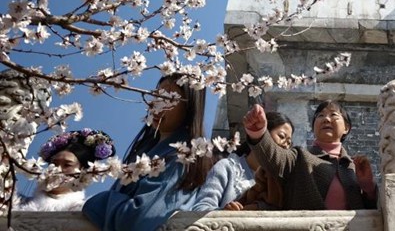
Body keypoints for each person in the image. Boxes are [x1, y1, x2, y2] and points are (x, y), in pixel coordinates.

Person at [83, 74, 212, 231]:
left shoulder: (181, 156)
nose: (156, 104)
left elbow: (136, 220)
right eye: (156, 95)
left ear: (189, 106)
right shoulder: (146, 151)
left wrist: (98, 201)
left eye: (168, 98)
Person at [243, 100, 377, 210]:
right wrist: (258, 133)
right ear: (313, 128)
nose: (326, 119)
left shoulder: (353, 168)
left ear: (346, 128)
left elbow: (370, 212)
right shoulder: (299, 157)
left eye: (333, 114)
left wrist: (368, 188)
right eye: (320, 116)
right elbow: (273, 157)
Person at [197, 111, 294, 211]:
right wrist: (224, 213)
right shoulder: (227, 168)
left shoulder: (277, 180)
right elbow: (200, 208)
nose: (285, 145)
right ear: (263, 134)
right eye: (282, 136)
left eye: (289, 143)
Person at [16, 128, 115, 212]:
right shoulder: (17, 204)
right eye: (54, 164)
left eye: (67, 165)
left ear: (83, 172)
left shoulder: (85, 211)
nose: (57, 170)